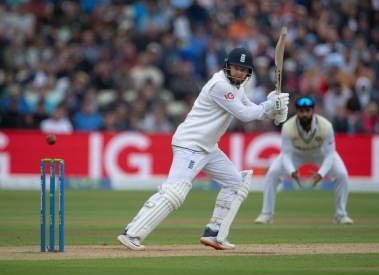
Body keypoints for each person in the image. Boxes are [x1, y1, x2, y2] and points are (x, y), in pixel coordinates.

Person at [117, 47, 290, 251]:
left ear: (248, 73)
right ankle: (132, 233)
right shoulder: (219, 85)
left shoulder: (237, 88)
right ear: (227, 66)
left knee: (235, 183)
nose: (238, 73)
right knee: (174, 191)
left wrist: (276, 110)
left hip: (207, 148)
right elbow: (244, 114)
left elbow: (255, 112)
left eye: (243, 70)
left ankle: (214, 233)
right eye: (235, 68)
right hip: (190, 144)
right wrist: (269, 105)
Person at [254, 97, 354, 225]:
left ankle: (340, 215)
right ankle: (266, 214)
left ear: (313, 111)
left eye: (308, 110)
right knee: (272, 173)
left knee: (342, 175)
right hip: (296, 154)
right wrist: (292, 172)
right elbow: (285, 155)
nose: (305, 114)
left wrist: (321, 174)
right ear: (296, 111)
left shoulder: (326, 126)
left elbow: (330, 155)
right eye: (301, 111)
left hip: (320, 153)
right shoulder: (288, 127)